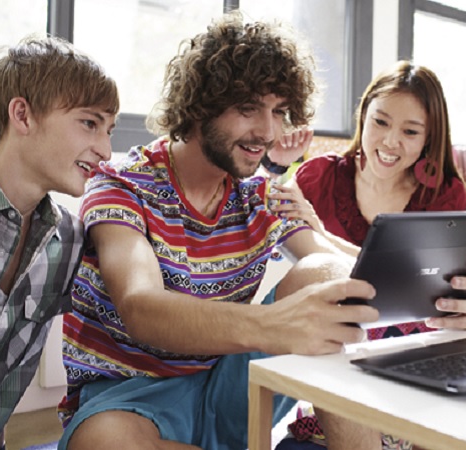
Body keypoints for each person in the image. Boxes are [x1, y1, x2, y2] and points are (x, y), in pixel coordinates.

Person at [57, 12, 389, 450]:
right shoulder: (122, 186)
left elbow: (349, 276)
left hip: (227, 387)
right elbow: (141, 306)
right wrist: (272, 325)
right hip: (128, 397)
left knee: (324, 271)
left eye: (278, 111)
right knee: (104, 444)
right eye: (248, 108)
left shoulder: (260, 195)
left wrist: (444, 294)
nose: (268, 132)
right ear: (201, 105)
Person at [267, 61, 466, 449]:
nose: (391, 142)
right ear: (364, 117)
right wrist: (274, 167)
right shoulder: (319, 178)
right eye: (380, 122)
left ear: (429, 138)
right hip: (341, 361)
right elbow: (277, 227)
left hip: (414, 361)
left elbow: (415, 284)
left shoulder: (444, 195)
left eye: (410, 132)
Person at [0, 36, 119, 450]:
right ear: (22, 115)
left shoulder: (69, 240)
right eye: (89, 123)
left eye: (109, 130)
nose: (105, 150)